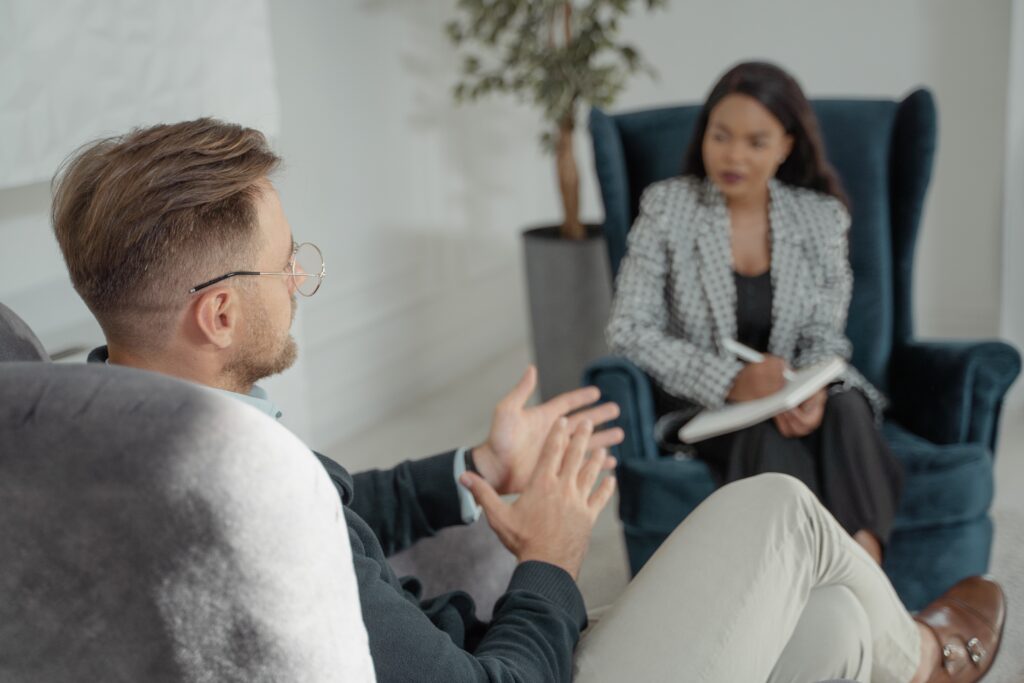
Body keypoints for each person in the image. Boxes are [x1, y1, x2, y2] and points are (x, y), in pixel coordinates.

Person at [50, 118, 1004, 682]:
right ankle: (930, 657)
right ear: (218, 313)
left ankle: (899, 650)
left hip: (478, 645)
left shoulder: (131, 423)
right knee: (782, 515)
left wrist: (475, 472)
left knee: (834, 632)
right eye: (285, 264)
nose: (300, 279)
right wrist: (550, 557)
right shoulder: (250, 509)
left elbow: (346, 505)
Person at [607, 61, 903, 564]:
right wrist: (729, 382)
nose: (734, 155)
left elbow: (825, 334)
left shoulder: (820, 217)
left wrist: (806, 390)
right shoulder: (667, 208)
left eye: (756, 142)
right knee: (762, 430)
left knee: (847, 406)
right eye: (720, 136)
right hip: (710, 410)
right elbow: (628, 328)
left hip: (795, 390)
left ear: (786, 145)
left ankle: (865, 568)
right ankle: (809, 582)